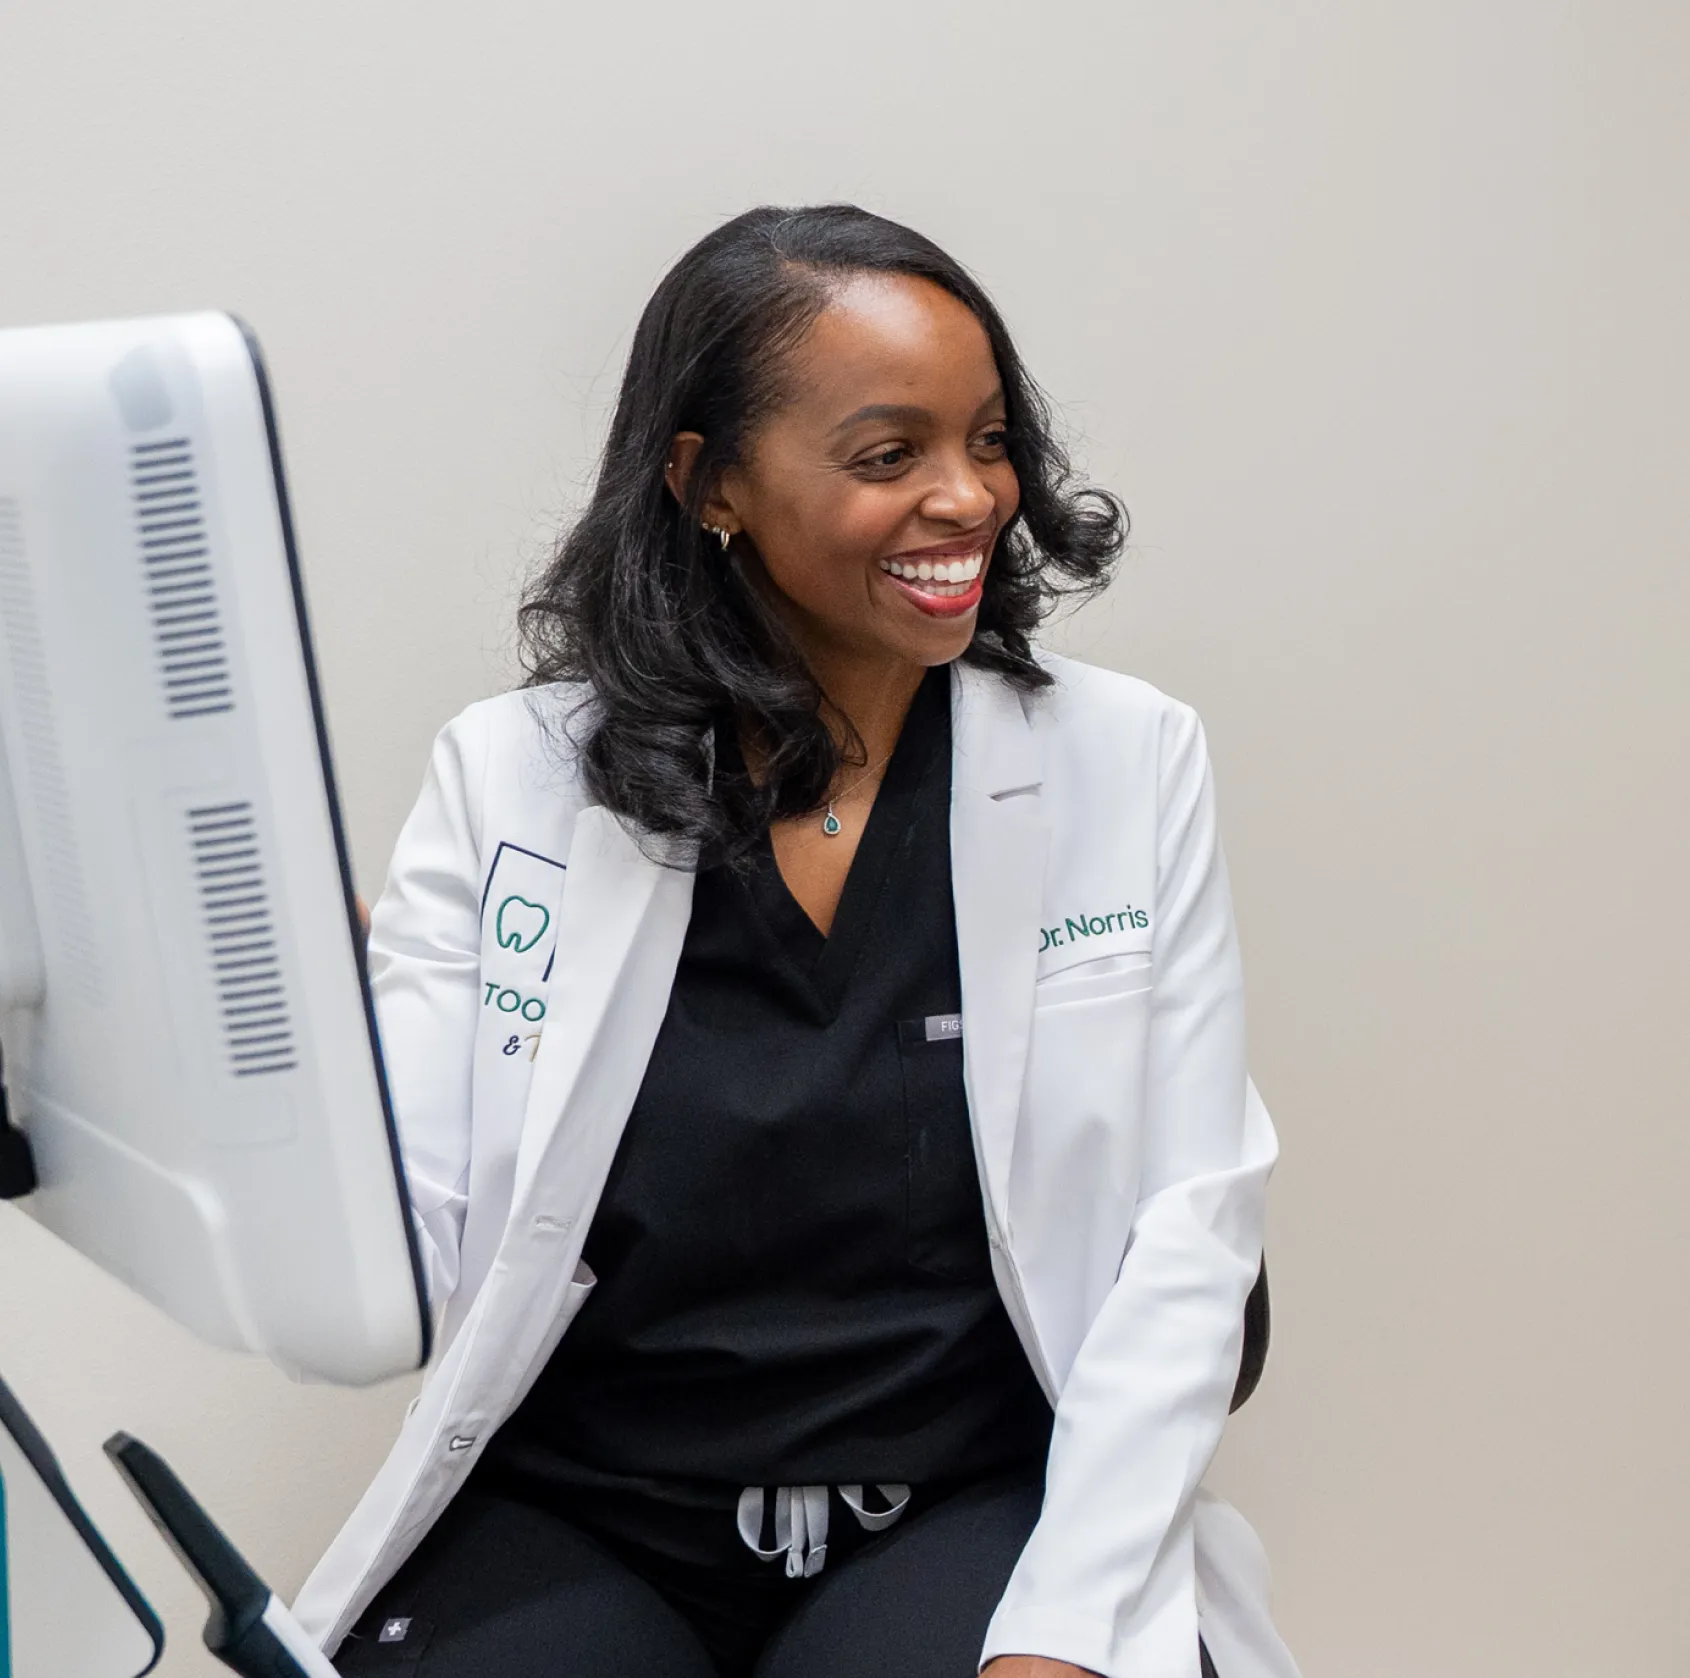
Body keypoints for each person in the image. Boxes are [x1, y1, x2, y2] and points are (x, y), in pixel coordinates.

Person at [294, 205, 1299, 1678]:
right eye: (889, 455)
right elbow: (408, 1260)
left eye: (989, 439)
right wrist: (312, 1058)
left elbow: (1189, 1232)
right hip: (587, 1514)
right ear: (708, 483)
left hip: (964, 1506)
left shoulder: (1122, 761)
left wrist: (1064, 1636)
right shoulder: (513, 781)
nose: (966, 498)